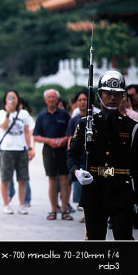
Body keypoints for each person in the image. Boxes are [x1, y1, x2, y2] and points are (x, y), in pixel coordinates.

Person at [67, 70, 138, 240]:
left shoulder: (132, 127)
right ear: (99, 96)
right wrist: (77, 171)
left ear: (123, 97)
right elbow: (72, 154)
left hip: (122, 191)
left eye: (117, 94)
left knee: (123, 238)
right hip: (94, 189)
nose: (112, 97)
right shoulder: (86, 123)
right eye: (108, 93)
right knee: (94, 239)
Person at [33, 89, 72, 221]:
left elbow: (71, 133)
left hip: (63, 150)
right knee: (52, 180)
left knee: (64, 180)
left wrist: (63, 140)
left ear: (57, 99)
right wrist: (48, 141)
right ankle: (53, 210)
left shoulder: (65, 115)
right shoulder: (41, 116)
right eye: (49, 97)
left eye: (53, 97)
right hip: (49, 150)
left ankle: (65, 210)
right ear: (45, 100)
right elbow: (36, 136)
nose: (51, 99)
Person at [0, 90, 33, 215]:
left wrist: (30, 148)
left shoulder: (24, 113)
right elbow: (4, 127)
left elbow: (27, 131)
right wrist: (8, 112)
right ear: (5, 100)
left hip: (21, 149)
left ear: (18, 99)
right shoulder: (1, 113)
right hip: (7, 149)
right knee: (5, 179)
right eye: (9, 97)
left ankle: (22, 205)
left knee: (22, 179)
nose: (12, 99)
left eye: (14, 97)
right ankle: (6, 204)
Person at [66, 89, 89, 222]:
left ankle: (89, 213)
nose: (82, 102)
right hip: (79, 158)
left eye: (84, 100)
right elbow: (70, 139)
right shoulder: (74, 120)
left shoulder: (95, 118)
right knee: (81, 186)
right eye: (79, 100)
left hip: (91, 157)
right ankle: (85, 212)